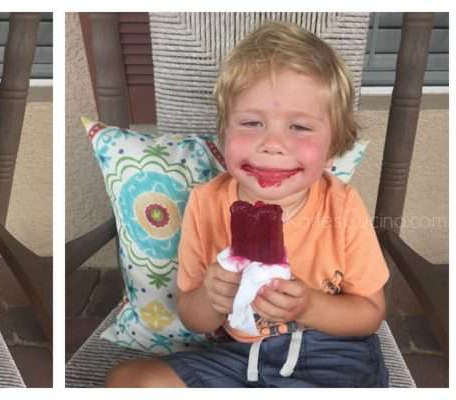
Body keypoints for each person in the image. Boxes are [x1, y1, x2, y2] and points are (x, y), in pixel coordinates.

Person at [105, 21, 390, 388]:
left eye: (300, 127)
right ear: (223, 137)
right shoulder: (206, 204)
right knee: (128, 382)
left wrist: (310, 306)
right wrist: (211, 297)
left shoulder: (342, 205)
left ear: (333, 149)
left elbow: (370, 313)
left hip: (332, 355)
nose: (272, 143)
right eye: (251, 123)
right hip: (240, 358)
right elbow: (194, 318)